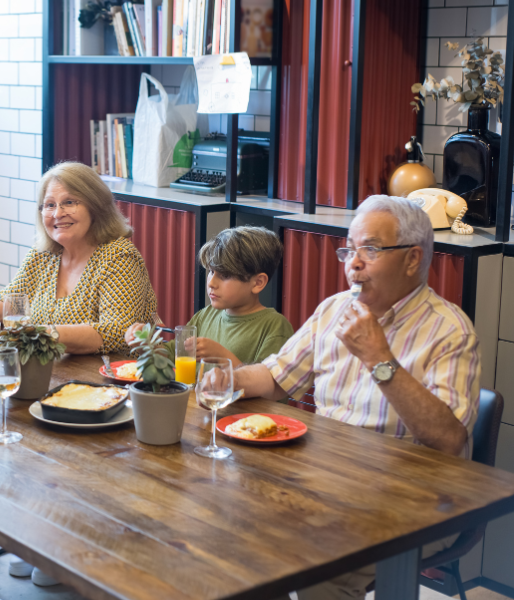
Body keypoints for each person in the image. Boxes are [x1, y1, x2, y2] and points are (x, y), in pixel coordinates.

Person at [227, 196, 479, 600]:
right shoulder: (333, 310)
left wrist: (379, 358)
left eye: (371, 250)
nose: (353, 264)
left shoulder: (450, 330)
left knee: (318, 565)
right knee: (232, 523)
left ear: (413, 259)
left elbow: (448, 440)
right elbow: (276, 378)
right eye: (349, 249)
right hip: (327, 481)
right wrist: (219, 379)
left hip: (412, 498)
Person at [0, 161, 157, 356]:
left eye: (69, 202)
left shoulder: (119, 257)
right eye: (50, 205)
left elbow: (117, 331)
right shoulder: (42, 255)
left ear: (95, 206)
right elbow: (14, 305)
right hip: (55, 373)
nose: (58, 213)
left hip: (113, 379)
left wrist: (43, 333)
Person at [125, 226, 293, 366]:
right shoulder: (205, 316)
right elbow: (172, 360)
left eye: (225, 276)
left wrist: (224, 358)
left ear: (258, 283)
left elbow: (272, 390)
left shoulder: (275, 327)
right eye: (211, 272)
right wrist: (146, 345)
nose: (211, 282)